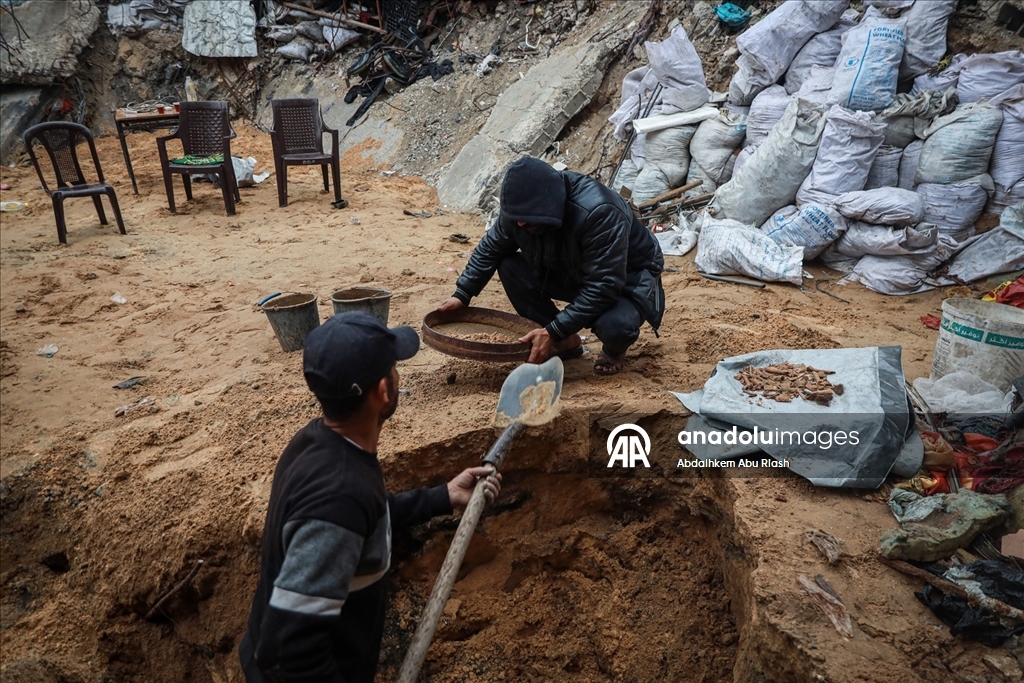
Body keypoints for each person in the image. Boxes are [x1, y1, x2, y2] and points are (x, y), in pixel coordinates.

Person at [239, 312, 501, 683]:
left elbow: (363, 522)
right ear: (383, 390)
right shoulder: (339, 497)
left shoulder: (317, 443)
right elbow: (290, 653)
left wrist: (443, 496)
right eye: (394, 367)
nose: (398, 375)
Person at [438, 156, 665, 375]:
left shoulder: (599, 212)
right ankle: (565, 341)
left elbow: (604, 285)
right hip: (572, 265)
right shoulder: (521, 211)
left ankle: (612, 350)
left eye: (526, 220)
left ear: (548, 205)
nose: (519, 224)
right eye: (515, 218)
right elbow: (491, 248)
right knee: (509, 266)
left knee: (615, 327)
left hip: (627, 277)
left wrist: (553, 330)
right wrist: (463, 293)